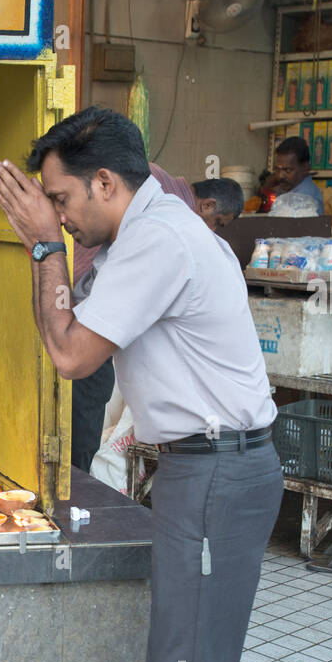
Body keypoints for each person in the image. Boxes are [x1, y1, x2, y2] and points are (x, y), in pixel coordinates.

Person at [0, 106, 282, 662]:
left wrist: (43, 249)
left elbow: (70, 353)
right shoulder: (143, 231)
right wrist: (58, 246)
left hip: (220, 473)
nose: (55, 212)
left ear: (107, 183)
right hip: (199, 470)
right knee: (172, 652)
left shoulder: (158, 239)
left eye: (60, 198)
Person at [71, 166, 244, 472]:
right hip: (86, 313)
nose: (213, 230)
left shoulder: (156, 183)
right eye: (217, 223)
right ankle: (76, 493)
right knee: (86, 413)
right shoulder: (172, 217)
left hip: (87, 312)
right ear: (207, 205)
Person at [272, 136, 324, 213]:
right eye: (277, 169)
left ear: (305, 168)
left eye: (288, 170)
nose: (280, 176)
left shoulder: (306, 198)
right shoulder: (287, 188)